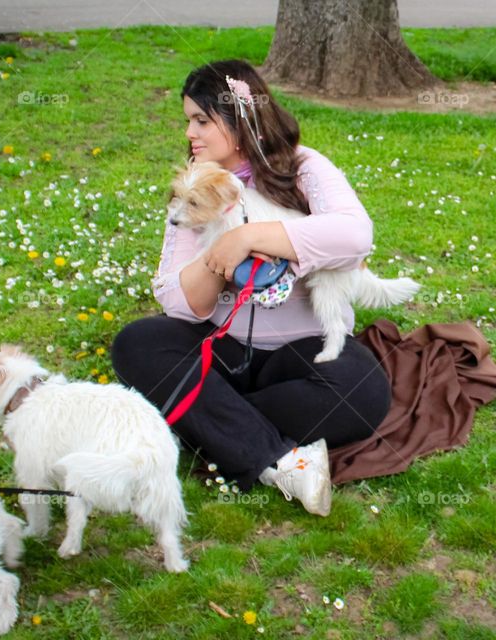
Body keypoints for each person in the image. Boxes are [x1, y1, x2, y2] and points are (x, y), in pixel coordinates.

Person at [111, 59, 391, 516]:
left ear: (240, 119)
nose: (190, 133)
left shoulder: (302, 167)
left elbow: (356, 236)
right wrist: (218, 256)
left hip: (299, 351)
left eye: (202, 120)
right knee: (136, 344)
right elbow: (179, 305)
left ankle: (205, 422)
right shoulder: (196, 184)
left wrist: (248, 237)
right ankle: (282, 461)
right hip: (220, 348)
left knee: (364, 394)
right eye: (188, 122)